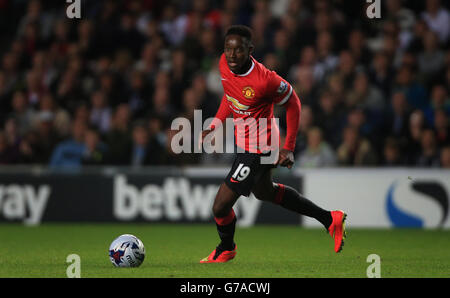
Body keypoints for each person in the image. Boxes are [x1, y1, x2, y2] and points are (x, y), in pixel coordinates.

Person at [198, 25, 346, 263]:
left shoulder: (265, 80)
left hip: (260, 147)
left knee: (220, 207)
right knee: (265, 191)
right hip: (245, 142)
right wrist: (215, 124)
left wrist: (289, 147)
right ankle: (331, 219)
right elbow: (230, 94)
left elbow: (294, 103)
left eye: (238, 50)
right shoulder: (224, 64)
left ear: (250, 50)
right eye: (228, 49)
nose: (232, 55)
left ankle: (226, 248)